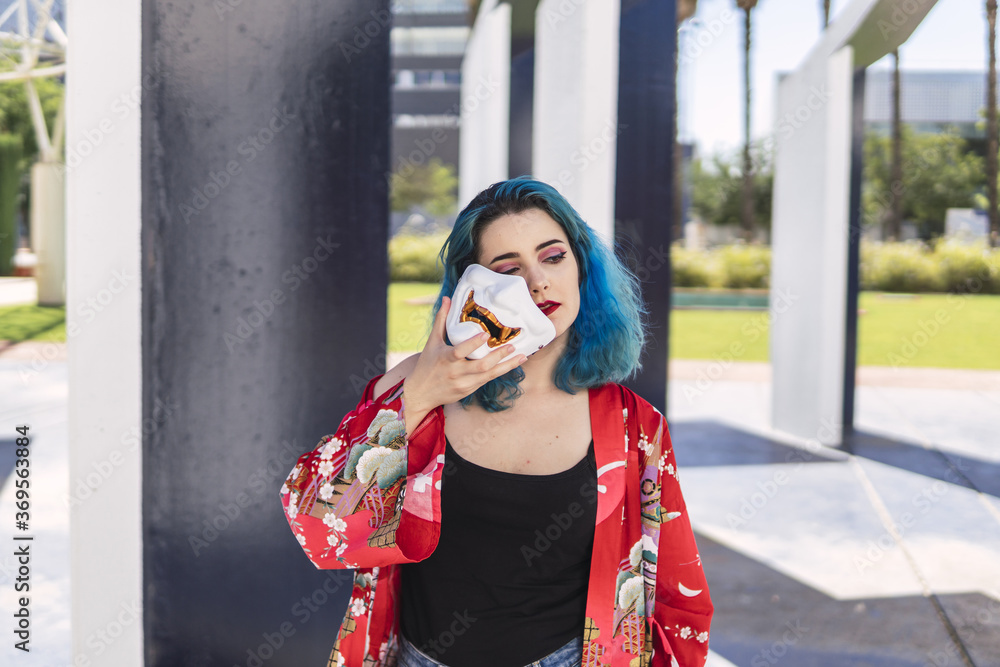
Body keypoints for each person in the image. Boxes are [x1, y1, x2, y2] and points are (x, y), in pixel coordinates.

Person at [280, 177, 713, 667]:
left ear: (580, 265)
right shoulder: (415, 389)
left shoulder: (635, 425)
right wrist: (419, 397)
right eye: (508, 270)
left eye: (553, 257)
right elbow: (318, 523)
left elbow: (678, 595)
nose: (537, 282)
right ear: (472, 288)